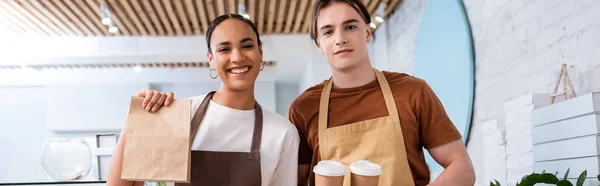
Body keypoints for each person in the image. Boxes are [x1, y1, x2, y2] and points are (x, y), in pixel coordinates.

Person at [288, 0, 475, 186]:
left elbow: (461, 168)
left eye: (350, 27)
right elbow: (294, 181)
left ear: (367, 32)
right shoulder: (303, 108)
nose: (340, 39)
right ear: (319, 44)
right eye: (328, 32)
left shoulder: (412, 91)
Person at [106, 14, 299, 186]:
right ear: (211, 59)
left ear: (260, 52)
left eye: (247, 46)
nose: (237, 57)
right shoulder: (177, 116)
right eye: (224, 49)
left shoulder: (283, 133)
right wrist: (138, 120)